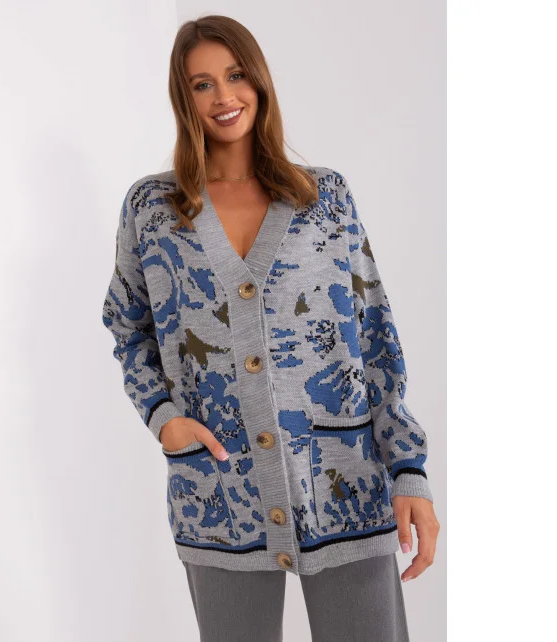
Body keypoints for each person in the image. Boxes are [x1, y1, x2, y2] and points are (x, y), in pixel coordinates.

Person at [101, 14, 440, 642]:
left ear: (259, 81)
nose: (223, 96)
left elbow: (374, 333)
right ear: (183, 97)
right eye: (202, 84)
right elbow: (127, 324)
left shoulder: (325, 199)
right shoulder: (152, 209)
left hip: (344, 482)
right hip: (218, 495)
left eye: (235, 75)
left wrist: (408, 468)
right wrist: (162, 417)